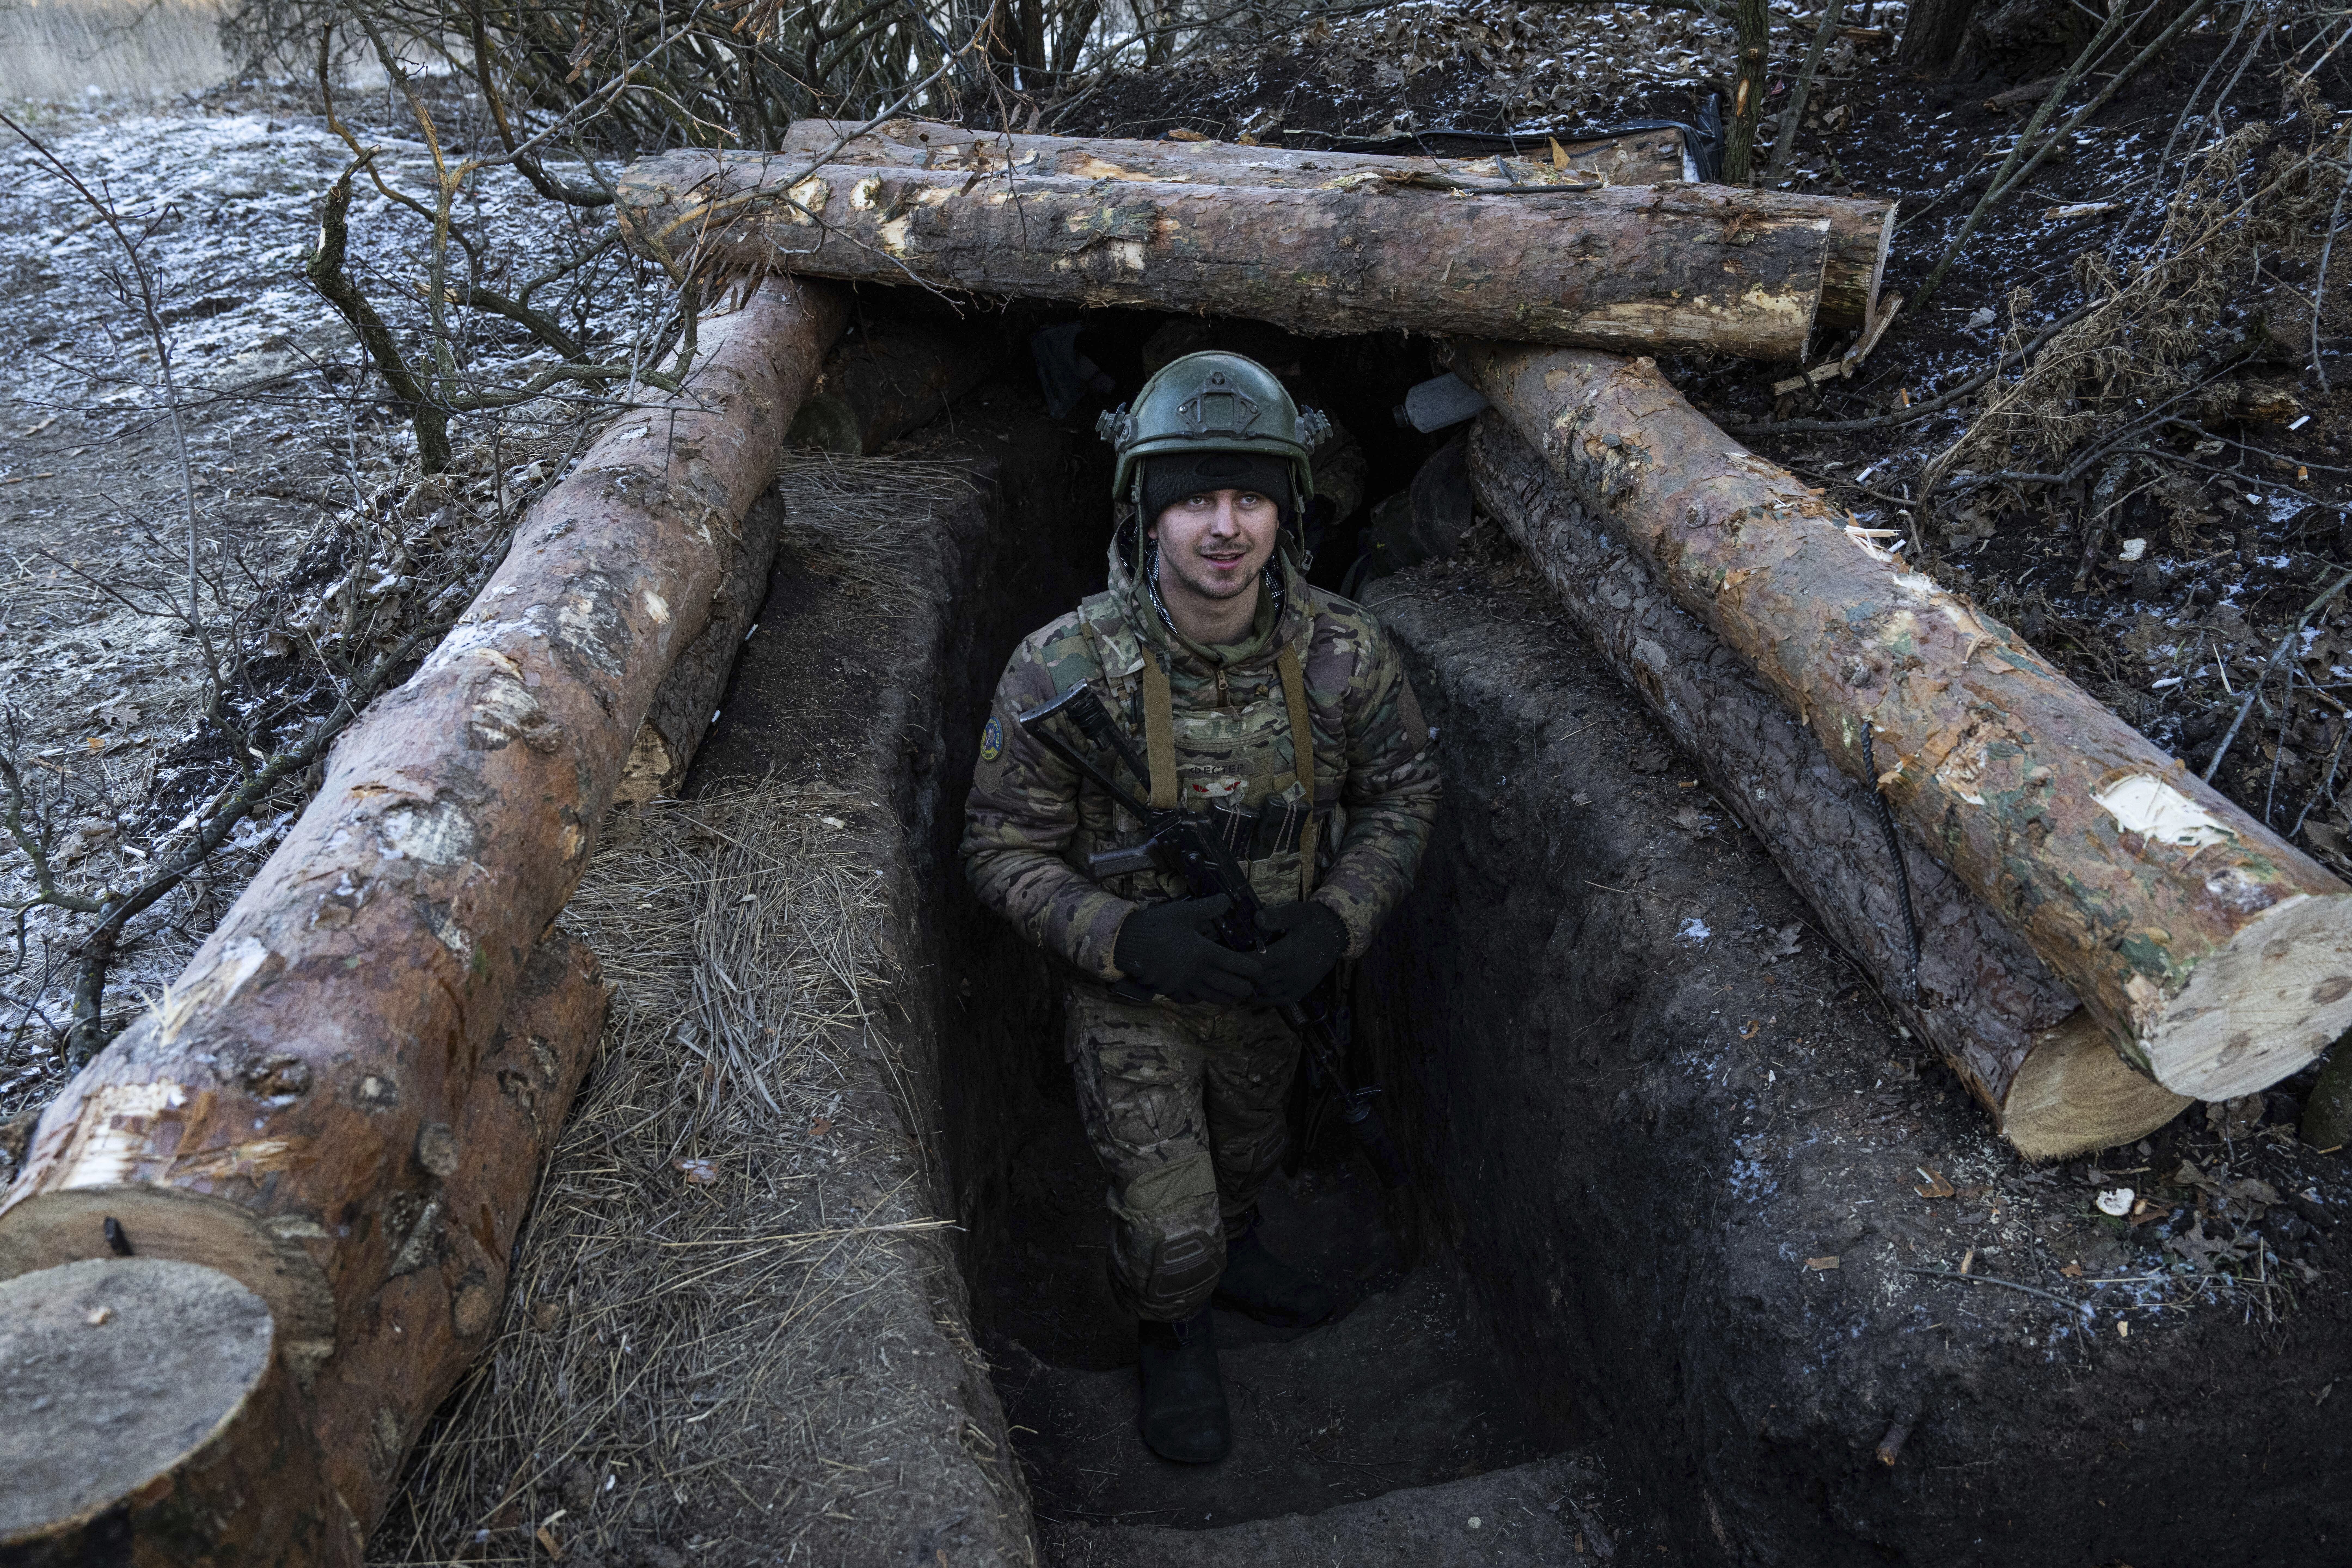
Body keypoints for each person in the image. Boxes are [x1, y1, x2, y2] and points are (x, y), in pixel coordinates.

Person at [960, 351, 1442, 1464]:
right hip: (1133, 995)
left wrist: (1333, 923)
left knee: (1248, 1155)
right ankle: (1174, 1325)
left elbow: (1404, 796)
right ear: (1147, 513)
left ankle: (1236, 1250)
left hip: (1272, 983)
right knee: (1168, 1227)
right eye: (1194, 502)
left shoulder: (1345, 654)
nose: (1225, 529)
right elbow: (998, 844)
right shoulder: (1062, 668)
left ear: (1287, 510)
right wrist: (1125, 937)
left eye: (1250, 500)